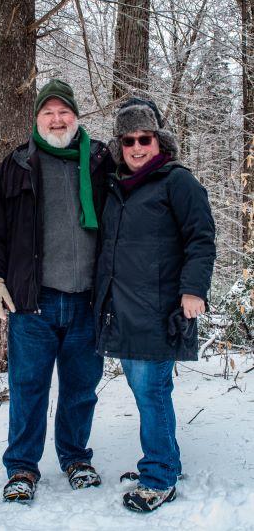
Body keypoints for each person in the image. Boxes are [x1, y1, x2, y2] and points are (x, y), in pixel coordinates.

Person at [0, 79, 114, 502]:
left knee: (80, 388)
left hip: (88, 302)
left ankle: (75, 458)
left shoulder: (101, 163)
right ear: (37, 118)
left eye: (64, 112)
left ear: (76, 116)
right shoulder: (16, 166)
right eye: (48, 113)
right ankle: (21, 468)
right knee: (28, 388)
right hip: (33, 303)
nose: (57, 120)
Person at [94, 97, 216, 513]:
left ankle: (160, 475)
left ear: (158, 140)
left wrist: (194, 291)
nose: (137, 147)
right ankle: (163, 460)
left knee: (152, 392)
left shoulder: (177, 182)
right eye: (128, 140)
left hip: (160, 308)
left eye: (144, 138)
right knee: (145, 389)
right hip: (123, 309)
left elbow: (201, 239)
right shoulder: (115, 185)